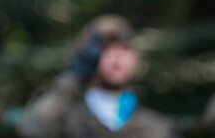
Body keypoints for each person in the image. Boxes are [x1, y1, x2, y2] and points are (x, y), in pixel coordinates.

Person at [16, 14, 181, 137]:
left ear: (136, 60)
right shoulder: (67, 122)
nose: (117, 56)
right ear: (87, 58)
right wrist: (73, 76)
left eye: (124, 48)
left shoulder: (156, 128)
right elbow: (31, 129)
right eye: (106, 48)